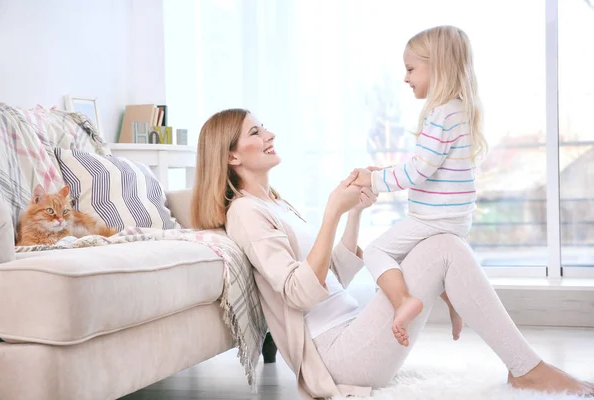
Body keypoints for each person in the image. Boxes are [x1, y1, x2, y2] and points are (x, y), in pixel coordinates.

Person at [190, 108, 593, 399]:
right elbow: (298, 293)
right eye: (256, 132)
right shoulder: (245, 212)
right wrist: (331, 210)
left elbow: (334, 278)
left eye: (264, 127)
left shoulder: (274, 202)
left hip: (355, 332)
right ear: (231, 156)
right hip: (336, 357)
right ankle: (528, 370)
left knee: (441, 245)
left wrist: (354, 214)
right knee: (444, 247)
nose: (270, 134)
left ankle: (524, 366)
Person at [351, 25, 485, 346]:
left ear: (438, 68)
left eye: (411, 69)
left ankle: (402, 303)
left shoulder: (439, 115)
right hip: (456, 219)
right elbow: (432, 168)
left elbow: (417, 173)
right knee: (423, 265)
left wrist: (374, 180)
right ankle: (453, 301)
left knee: (376, 251)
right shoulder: (461, 111)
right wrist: (385, 171)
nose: (405, 78)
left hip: (432, 218)